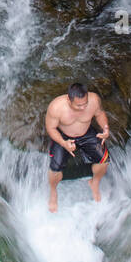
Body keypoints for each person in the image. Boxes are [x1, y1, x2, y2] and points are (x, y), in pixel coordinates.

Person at [45, 81, 110, 212]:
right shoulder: (56, 107)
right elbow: (50, 128)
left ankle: (94, 182)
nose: (83, 108)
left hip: (86, 133)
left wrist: (105, 129)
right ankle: (53, 191)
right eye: (78, 105)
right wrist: (63, 143)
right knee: (55, 169)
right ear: (69, 100)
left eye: (85, 104)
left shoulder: (94, 100)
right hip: (64, 137)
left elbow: (100, 114)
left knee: (104, 161)